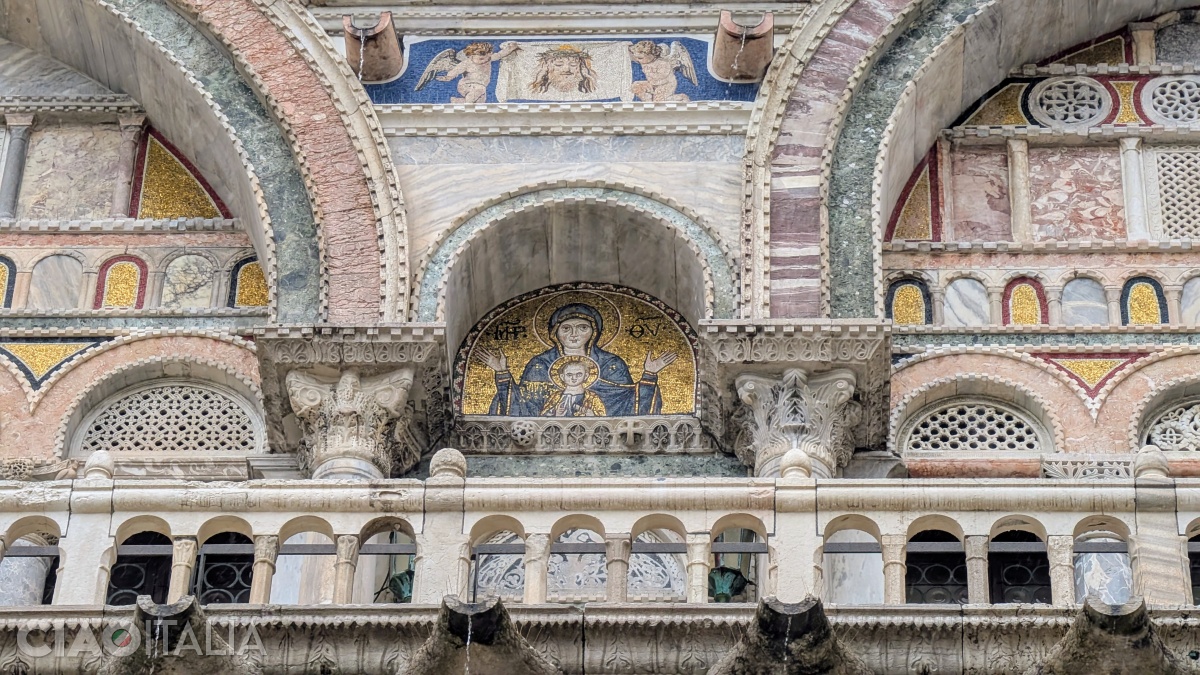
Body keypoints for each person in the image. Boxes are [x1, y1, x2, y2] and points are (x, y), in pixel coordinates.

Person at [476, 302, 676, 416]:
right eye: (566, 328)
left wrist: (650, 374)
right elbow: (522, 406)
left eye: (582, 327)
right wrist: (502, 373)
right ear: (555, 333)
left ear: (593, 332)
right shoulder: (540, 365)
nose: (574, 334)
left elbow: (628, 404)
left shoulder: (611, 364)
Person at [540, 356, 606, 417]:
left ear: (586, 376)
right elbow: (542, 418)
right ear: (562, 377)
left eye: (579, 374)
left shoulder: (592, 398)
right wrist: (556, 414)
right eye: (569, 375)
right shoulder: (555, 397)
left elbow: (603, 418)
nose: (574, 378)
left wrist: (591, 416)